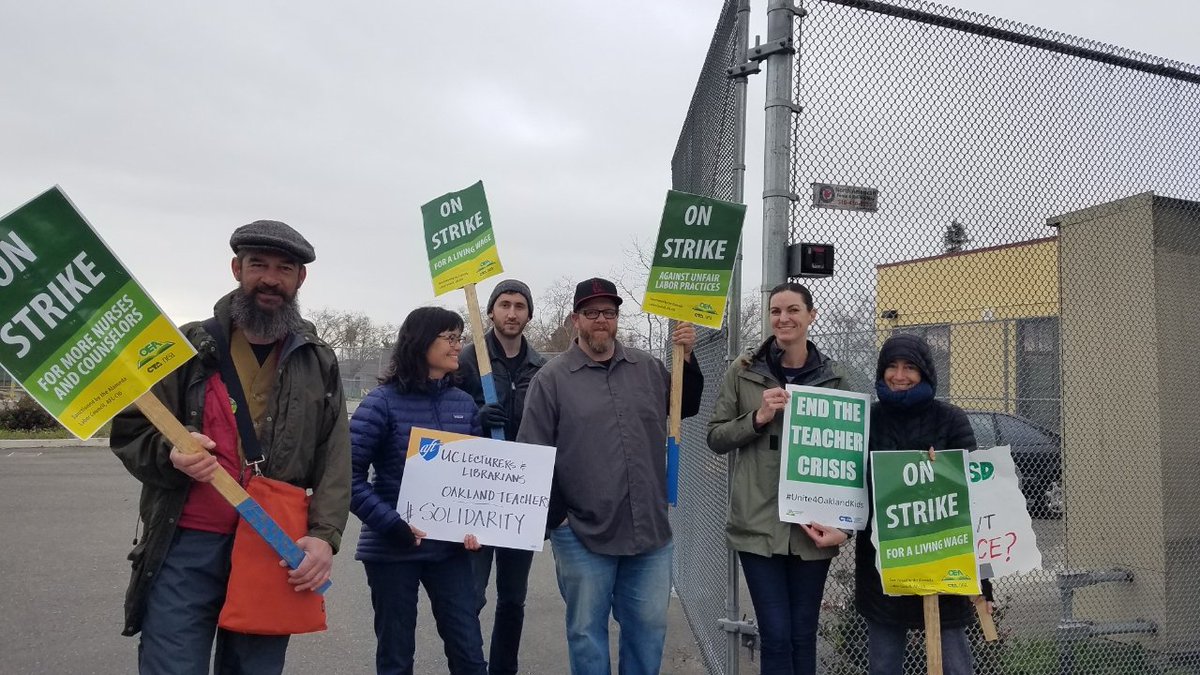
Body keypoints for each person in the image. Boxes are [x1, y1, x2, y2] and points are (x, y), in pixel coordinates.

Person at [110, 220, 351, 674]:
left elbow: (335, 457)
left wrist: (323, 538)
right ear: (237, 268)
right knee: (172, 665)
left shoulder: (317, 359)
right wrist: (170, 453)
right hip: (187, 543)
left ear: (301, 279)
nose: (271, 279)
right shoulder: (183, 345)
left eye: (285, 268)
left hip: (271, 543)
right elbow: (131, 431)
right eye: (259, 264)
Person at [517, 276, 704, 675]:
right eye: (592, 312)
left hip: (649, 532)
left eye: (610, 312)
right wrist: (559, 521)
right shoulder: (551, 379)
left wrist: (686, 358)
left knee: (649, 628)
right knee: (586, 633)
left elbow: (683, 406)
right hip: (583, 534)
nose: (601, 319)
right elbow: (531, 455)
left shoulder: (648, 367)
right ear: (576, 320)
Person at [706, 282, 858, 675]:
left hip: (814, 526)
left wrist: (846, 524)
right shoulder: (743, 371)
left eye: (793, 310)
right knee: (775, 635)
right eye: (775, 311)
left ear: (811, 315)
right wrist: (756, 419)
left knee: (803, 635)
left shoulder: (836, 378)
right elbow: (716, 437)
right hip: (758, 524)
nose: (783, 318)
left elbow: (852, 457)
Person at [350, 306, 487, 675]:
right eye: (451, 338)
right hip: (393, 549)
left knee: (470, 654)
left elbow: (476, 483)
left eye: (460, 337)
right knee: (396, 657)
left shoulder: (463, 404)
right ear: (422, 341)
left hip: (450, 551)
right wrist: (392, 524)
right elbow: (348, 478)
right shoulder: (381, 402)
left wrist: (480, 527)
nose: (459, 346)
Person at [855, 333, 993, 675]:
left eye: (909, 368)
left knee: (954, 664)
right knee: (884, 664)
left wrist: (944, 469)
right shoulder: (866, 420)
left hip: (944, 564)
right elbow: (852, 486)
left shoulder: (950, 420)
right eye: (892, 366)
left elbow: (976, 497)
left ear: (925, 373)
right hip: (885, 565)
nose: (899, 375)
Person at [456, 279, 546, 675]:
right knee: (471, 595)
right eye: (504, 304)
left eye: (520, 306)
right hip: (475, 491)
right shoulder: (465, 360)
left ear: (528, 314)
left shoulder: (541, 368)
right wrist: (473, 420)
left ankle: (503, 668)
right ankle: (470, 665)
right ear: (490, 311)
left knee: (513, 598)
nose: (512, 313)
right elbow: (442, 416)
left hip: (520, 496)